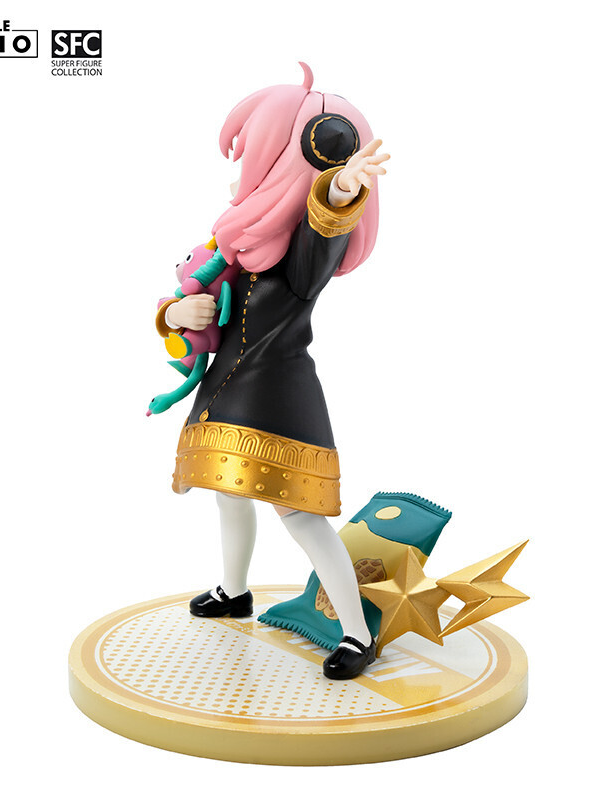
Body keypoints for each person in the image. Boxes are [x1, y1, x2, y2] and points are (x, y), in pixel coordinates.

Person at [155, 64, 389, 679]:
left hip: (280, 399)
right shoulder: (232, 247)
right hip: (226, 391)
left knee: (303, 519)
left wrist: (339, 192)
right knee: (228, 496)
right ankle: (234, 591)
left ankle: (356, 633)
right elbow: (191, 306)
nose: (247, 174)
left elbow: (322, 237)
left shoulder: (302, 251)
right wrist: (176, 312)